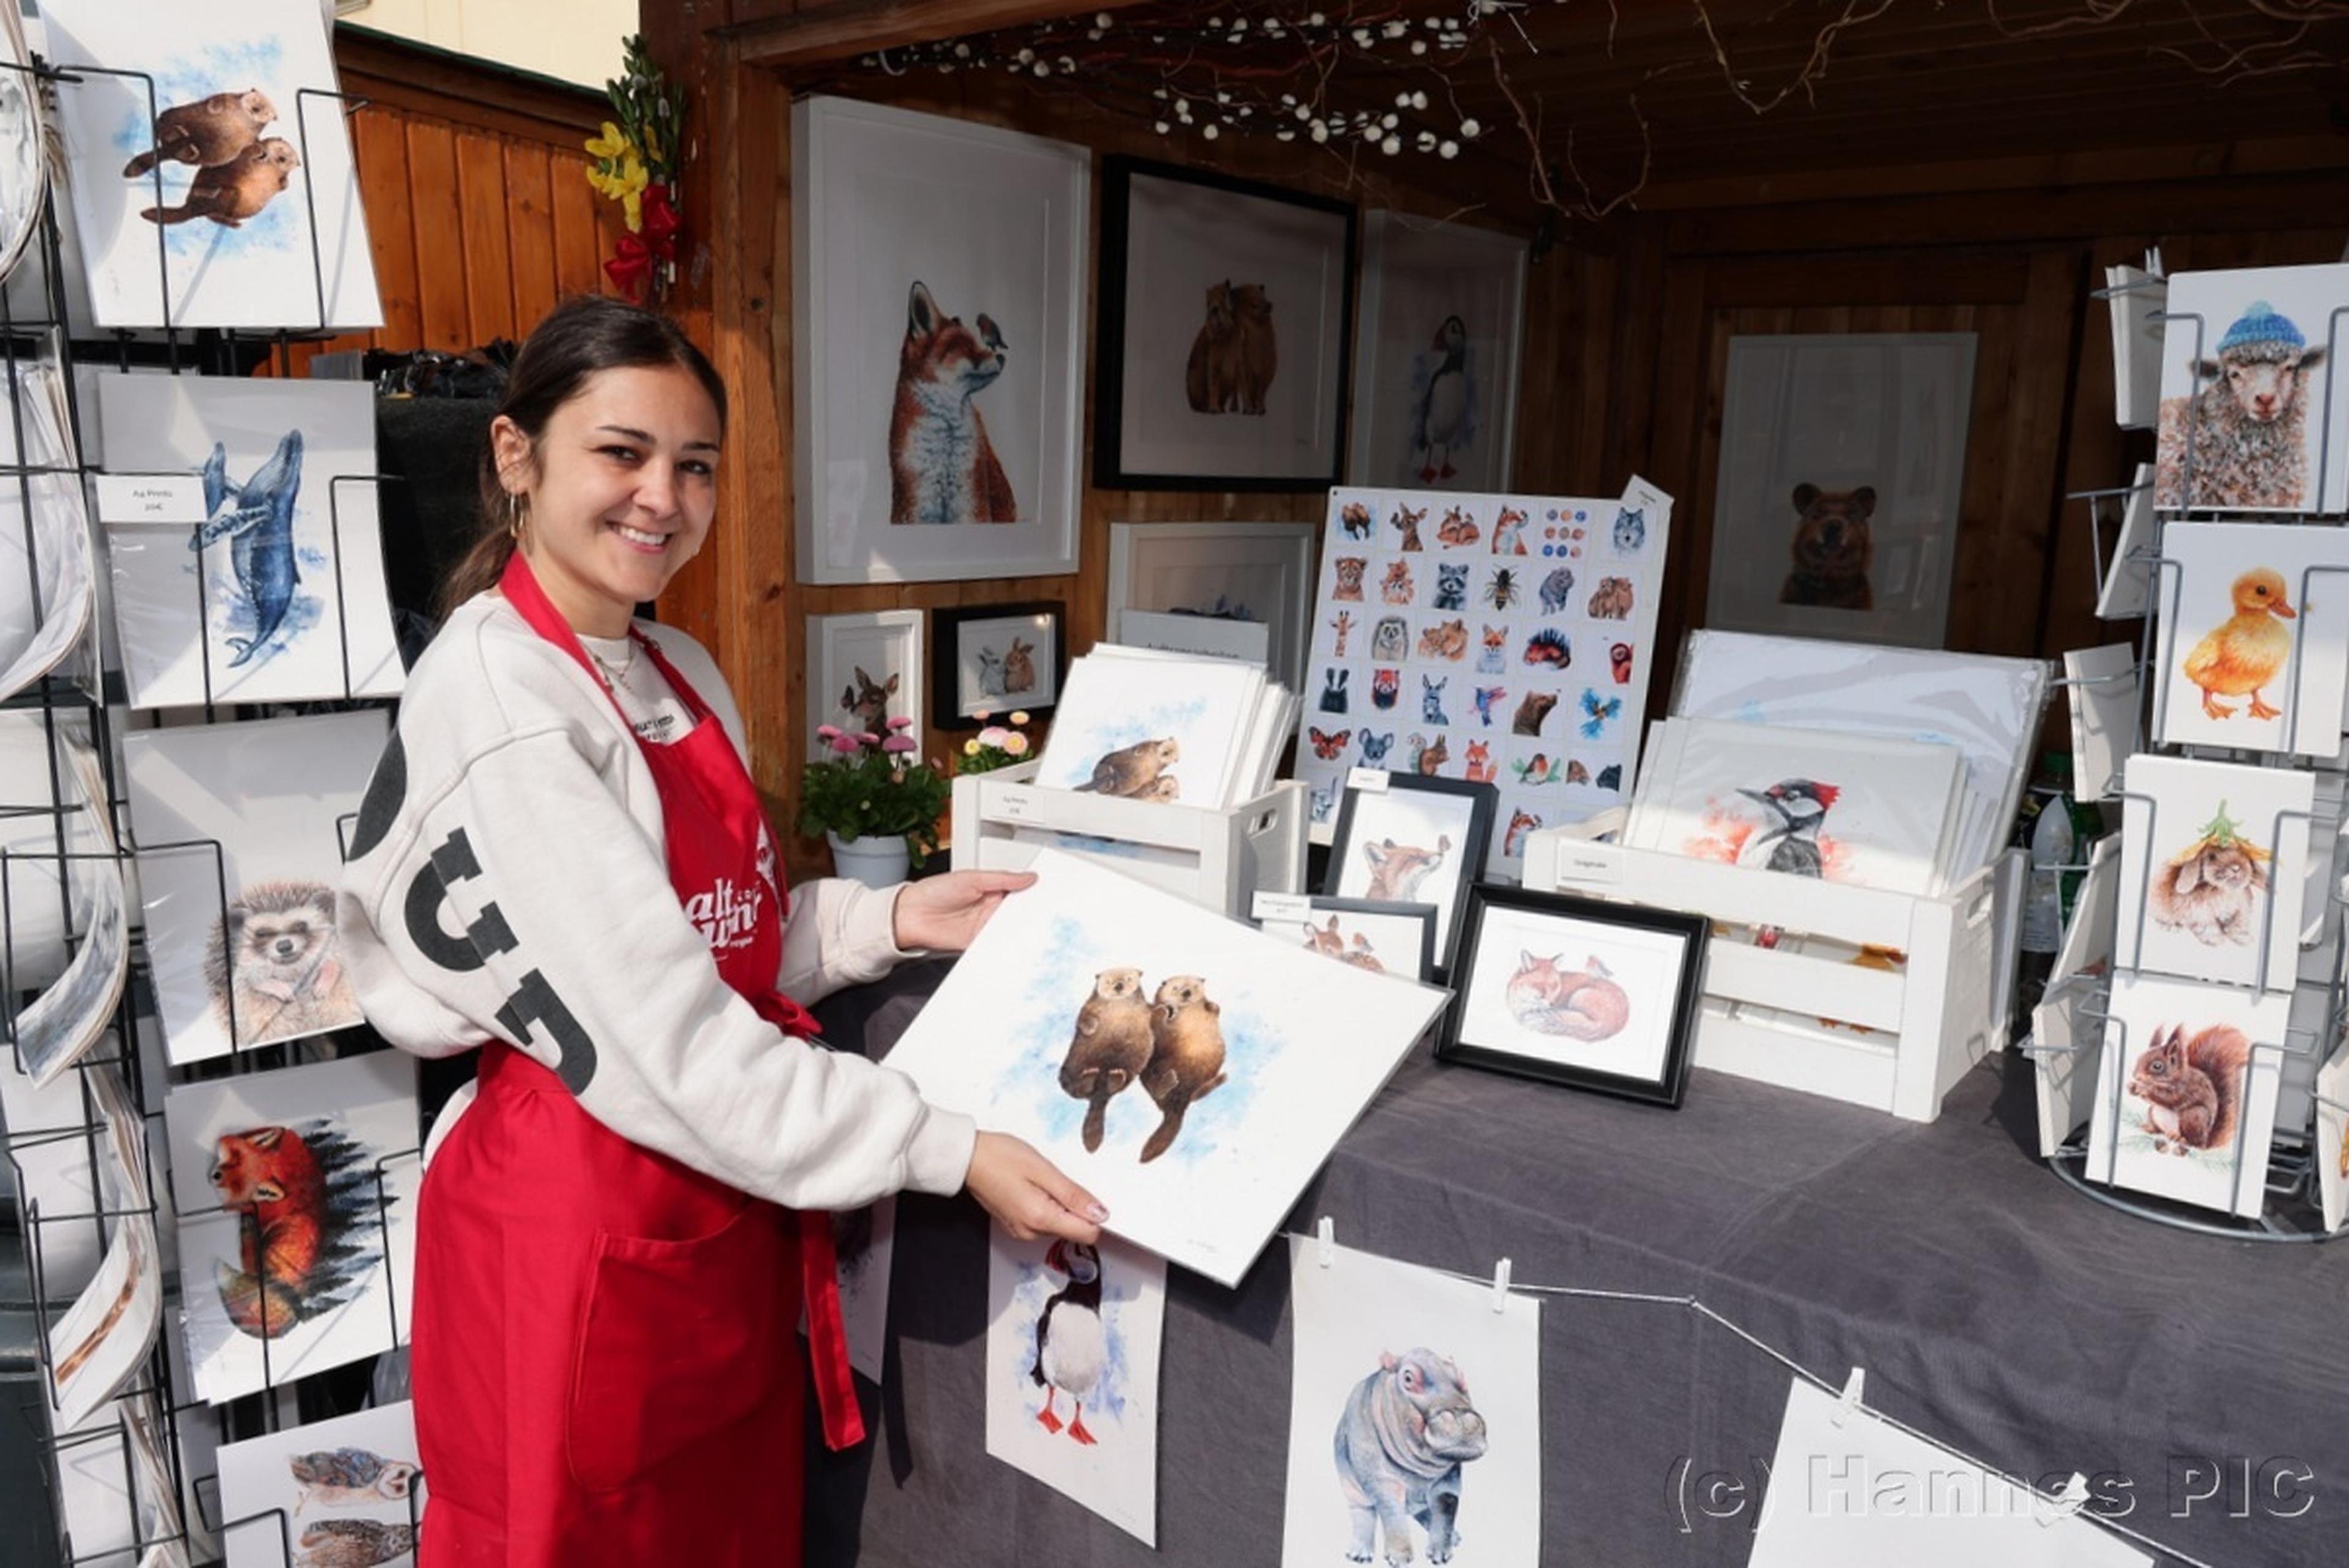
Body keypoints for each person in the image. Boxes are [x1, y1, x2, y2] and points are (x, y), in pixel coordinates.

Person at [337, 295, 1102, 1568]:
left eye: (693, 465)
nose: (663, 497)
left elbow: (705, 938)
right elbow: (669, 1038)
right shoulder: (504, 703)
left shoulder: (674, 662)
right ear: (516, 457)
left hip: (709, 1223)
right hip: (579, 1229)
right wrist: (946, 1145)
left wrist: (886, 916)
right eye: (622, 453)